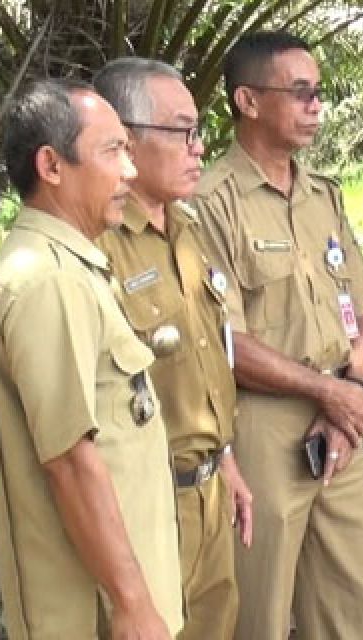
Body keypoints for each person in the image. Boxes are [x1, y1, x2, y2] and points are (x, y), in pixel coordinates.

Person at [193, 32, 363, 640]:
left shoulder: (321, 195)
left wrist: (347, 394)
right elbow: (223, 341)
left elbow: (356, 311)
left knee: (357, 603)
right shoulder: (209, 204)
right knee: (261, 608)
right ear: (248, 101)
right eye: (300, 92)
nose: (315, 105)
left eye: (319, 92)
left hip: (337, 427)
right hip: (262, 426)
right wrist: (327, 393)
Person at [0, 81, 182, 639]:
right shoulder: (47, 282)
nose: (129, 172)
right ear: (52, 165)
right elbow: (70, 462)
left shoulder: (69, 269)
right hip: (93, 616)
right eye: (112, 151)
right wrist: (132, 602)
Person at [94, 58, 254, 639]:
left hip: (209, 491)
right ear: (127, 140)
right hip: (146, 504)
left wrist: (225, 458)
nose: (198, 146)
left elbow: (207, 359)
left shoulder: (187, 230)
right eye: (183, 131)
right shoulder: (99, 248)